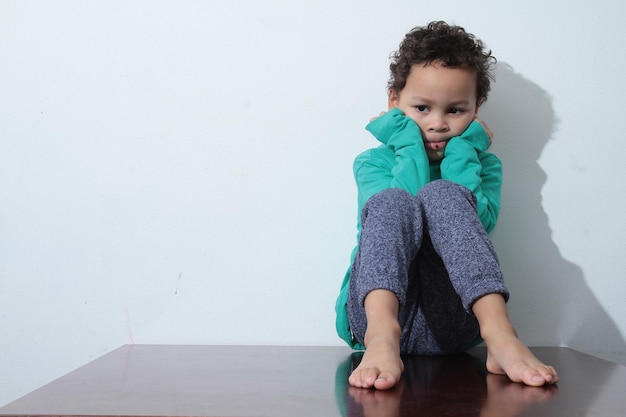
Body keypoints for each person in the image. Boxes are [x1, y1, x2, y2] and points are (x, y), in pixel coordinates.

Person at [334, 21, 559, 390]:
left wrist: (464, 151)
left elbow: (479, 224)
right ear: (394, 103)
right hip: (378, 319)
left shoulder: (484, 165)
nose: (437, 124)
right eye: (421, 108)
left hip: (452, 321)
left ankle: (500, 335)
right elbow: (399, 208)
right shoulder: (373, 163)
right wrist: (405, 142)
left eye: (455, 110)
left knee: (445, 196)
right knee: (393, 202)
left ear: (476, 108)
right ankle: (382, 337)